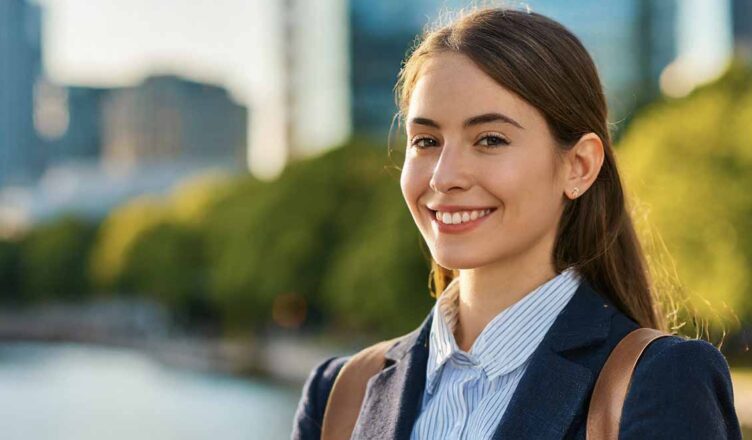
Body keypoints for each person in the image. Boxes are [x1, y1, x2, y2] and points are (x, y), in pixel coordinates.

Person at [292, 6, 743, 440]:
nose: (444, 177)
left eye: (490, 139)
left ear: (579, 166)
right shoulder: (340, 394)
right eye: (426, 140)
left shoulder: (662, 381)